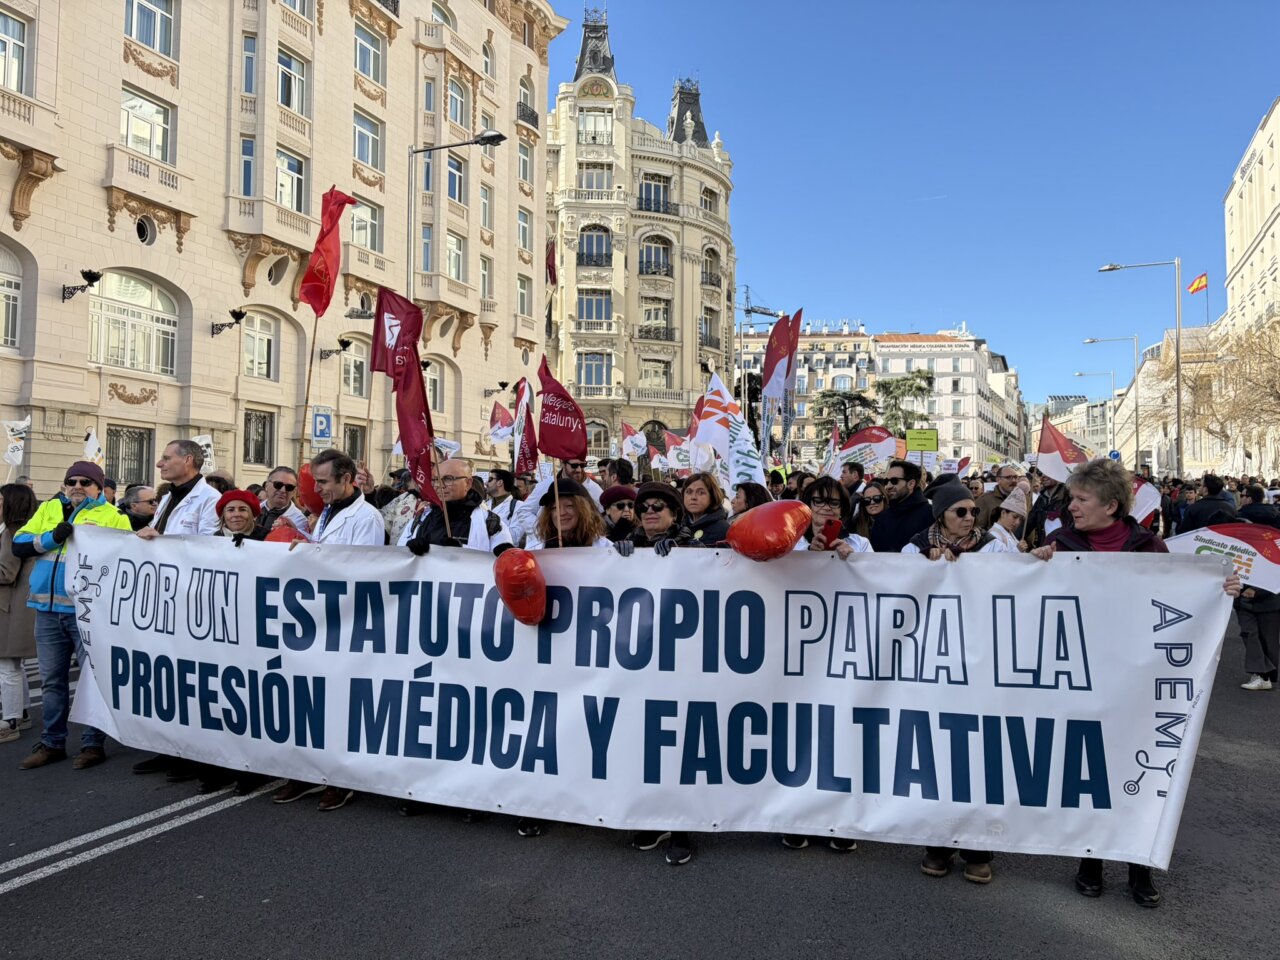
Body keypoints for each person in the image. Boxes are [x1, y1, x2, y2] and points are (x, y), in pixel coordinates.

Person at [1031, 458, 1241, 906]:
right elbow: (1027, 597)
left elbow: (1182, 596)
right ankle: (1090, 858)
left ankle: (1139, 865)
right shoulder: (1060, 544)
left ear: (1111, 505)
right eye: (1072, 498)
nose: (1071, 507)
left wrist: (1218, 589)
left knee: (1137, 770)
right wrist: (1034, 564)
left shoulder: (1149, 547)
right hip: (1082, 681)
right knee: (1087, 771)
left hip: (1138, 679)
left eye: (1081, 499)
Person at [272, 449, 386, 812]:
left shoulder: (366, 518)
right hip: (316, 620)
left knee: (339, 706)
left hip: (346, 622)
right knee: (310, 702)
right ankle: (307, 772)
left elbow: (362, 570)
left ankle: (341, 779)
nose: (315, 489)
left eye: (322, 482)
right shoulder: (325, 514)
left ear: (346, 478)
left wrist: (314, 557)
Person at [13, 460, 133, 769]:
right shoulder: (49, 509)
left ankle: (93, 744)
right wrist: (54, 536)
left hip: (88, 612)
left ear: (97, 486)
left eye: (85, 482)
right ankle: (52, 743)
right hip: (47, 610)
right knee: (53, 681)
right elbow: (19, 544)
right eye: (72, 481)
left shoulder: (113, 516)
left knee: (93, 681)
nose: (77, 486)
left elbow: (127, 562)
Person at [618, 480, 696, 864]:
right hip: (639, 663)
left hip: (680, 663)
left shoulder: (693, 546)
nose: (650, 512)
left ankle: (683, 826)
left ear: (675, 515)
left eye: (659, 507)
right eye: (644, 507)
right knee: (643, 742)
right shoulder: (622, 546)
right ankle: (653, 816)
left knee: (677, 743)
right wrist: (618, 560)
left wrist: (682, 555)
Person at [401, 459, 513, 556]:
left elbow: (504, 563)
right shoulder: (421, 517)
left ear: (468, 483)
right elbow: (398, 556)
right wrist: (409, 549)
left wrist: (461, 551)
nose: (440, 485)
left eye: (448, 479)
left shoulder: (490, 522)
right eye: (435, 480)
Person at [0, 483, 38, 743]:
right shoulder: (22, 530)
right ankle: (21, 712)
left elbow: (5, 572)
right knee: (14, 664)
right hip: (17, 606)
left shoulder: (12, 532)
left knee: (7, 665)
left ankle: (9, 720)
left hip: (10, 606)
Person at [138, 440, 222, 540]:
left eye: (166, 458)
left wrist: (161, 538)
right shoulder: (169, 496)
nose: (159, 464)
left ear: (187, 460)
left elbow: (208, 544)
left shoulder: (211, 498)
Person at [870, 460, 934, 553]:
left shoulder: (931, 515)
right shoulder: (882, 517)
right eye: (886, 481)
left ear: (911, 484)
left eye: (894, 481)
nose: (888, 486)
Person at [252, 466, 311, 540]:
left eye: (289, 487)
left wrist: (293, 531)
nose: (283, 490)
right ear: (266, 486)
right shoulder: (251, 511)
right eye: (278, 485)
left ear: (294, 492)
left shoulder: (299, 520)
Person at [681, 472, 730, 545]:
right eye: (689, 492)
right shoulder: (677, 527)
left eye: (701, 493)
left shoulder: (724, 530)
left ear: (712, 497)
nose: (693, 497)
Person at [975, 463, 1022, 531]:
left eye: (1015, 477)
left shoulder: (1023, 498)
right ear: (998, 480)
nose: (1013, 480)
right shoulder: (985, 500)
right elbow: (978, 528)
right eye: (1008, 477)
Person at [989, 481, 1030, 552]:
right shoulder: (994, 534)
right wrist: (1017, 550)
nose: (1017, 522)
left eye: (1020, 519)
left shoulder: (1008, 532)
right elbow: (997, 561)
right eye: (1015, 517)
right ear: (1003, 513)